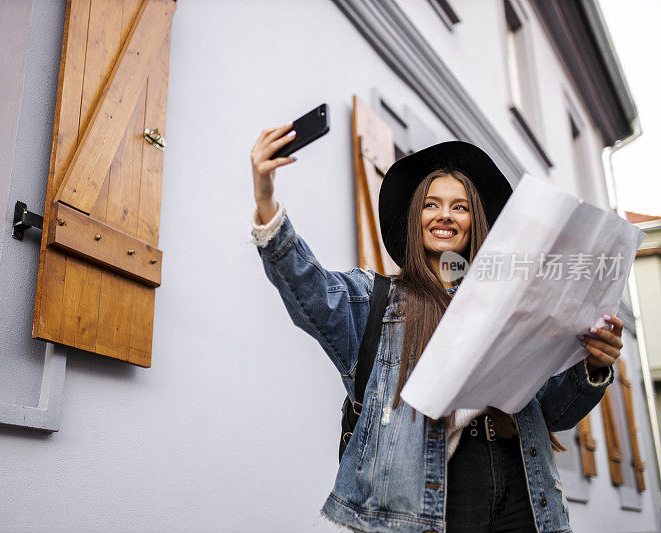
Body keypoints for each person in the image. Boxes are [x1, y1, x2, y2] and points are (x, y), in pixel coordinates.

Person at [249, 123, 624, 533]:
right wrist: (266, 201)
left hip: (525, 489)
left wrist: (592, 368)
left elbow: (555, 410)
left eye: (460, 207)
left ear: (474, 222)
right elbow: (311, 290)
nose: (445, 215)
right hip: (436, 493)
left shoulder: (511, 306)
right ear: (416, 219)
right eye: (432, 205)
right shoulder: (374, 301)